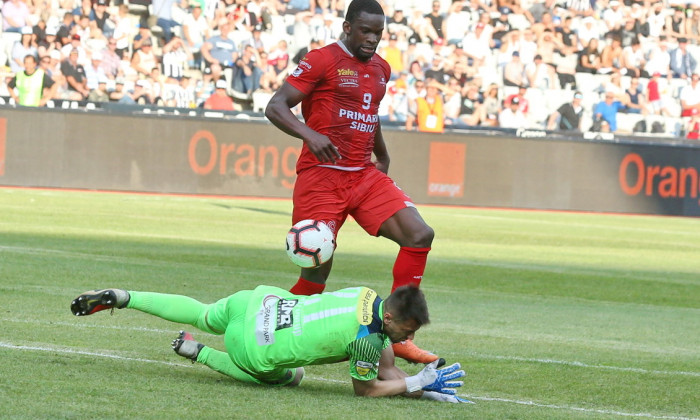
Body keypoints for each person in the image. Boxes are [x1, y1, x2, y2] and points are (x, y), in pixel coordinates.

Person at [265, 0, 437, 364]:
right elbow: (277, 106)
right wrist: (309, 134)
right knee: (316, 268)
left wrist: (383, 154)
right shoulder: (322, 60)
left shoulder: (381, 69)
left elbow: (367, 113)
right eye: (366, 31)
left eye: (379, 33)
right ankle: (270, 330)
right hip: (321, 178)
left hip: (362, 174)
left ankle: (399, 333)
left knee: (419, 234)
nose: (373, 39)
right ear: (347, 27)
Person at [69, 285, 469, 403]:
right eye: (408, 331)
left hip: (258, 302)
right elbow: (368, 389)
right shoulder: (367, 340)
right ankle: (201, 353)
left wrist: (423, 385)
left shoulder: (367, 296)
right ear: (391, 318)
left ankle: (125, 297)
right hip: (251, 347)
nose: (410, 339)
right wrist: (418, 383)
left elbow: (388, 368)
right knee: (289, 377)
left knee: (202, 313)